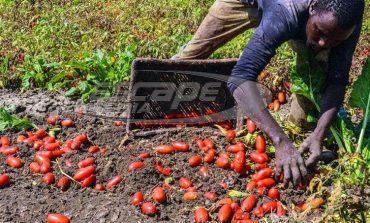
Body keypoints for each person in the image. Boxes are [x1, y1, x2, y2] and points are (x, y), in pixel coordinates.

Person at [173, 0, 365, 187]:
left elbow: (337, 81)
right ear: (312, 6)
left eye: (335, 39)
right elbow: (240, 79)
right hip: (249, 3)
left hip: (304, 19)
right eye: (320, 33)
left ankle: (306, 134)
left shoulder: (347, 18)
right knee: (193, 54)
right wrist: (280, 141)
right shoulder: (287, 11)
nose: (324, 43)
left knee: (310, 100)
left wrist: (319, 134)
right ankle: (159, 90)